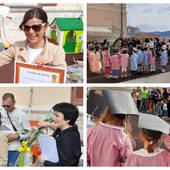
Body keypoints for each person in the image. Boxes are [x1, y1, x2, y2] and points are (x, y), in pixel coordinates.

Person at [0, 8, 66, 68]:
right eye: (27, 27)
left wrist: (51, 68)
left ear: (46, 26)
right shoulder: (17, 46)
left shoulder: (57, 52)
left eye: (36, 27)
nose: (31, 32)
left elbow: (62, 77)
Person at [87, 90, 139, 166]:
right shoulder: (123, 138)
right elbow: (128, 164)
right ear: (124, 118)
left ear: (106, 113)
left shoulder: (90, 131)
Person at [1, 93, 31, 166]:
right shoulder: (1, 113)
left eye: (8, 106)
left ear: (14, 102)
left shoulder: (22, 114)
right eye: (3, 105)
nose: (6, 108)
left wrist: (17, 136)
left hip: (14, 150)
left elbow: (29, 132)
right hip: (2, 148)